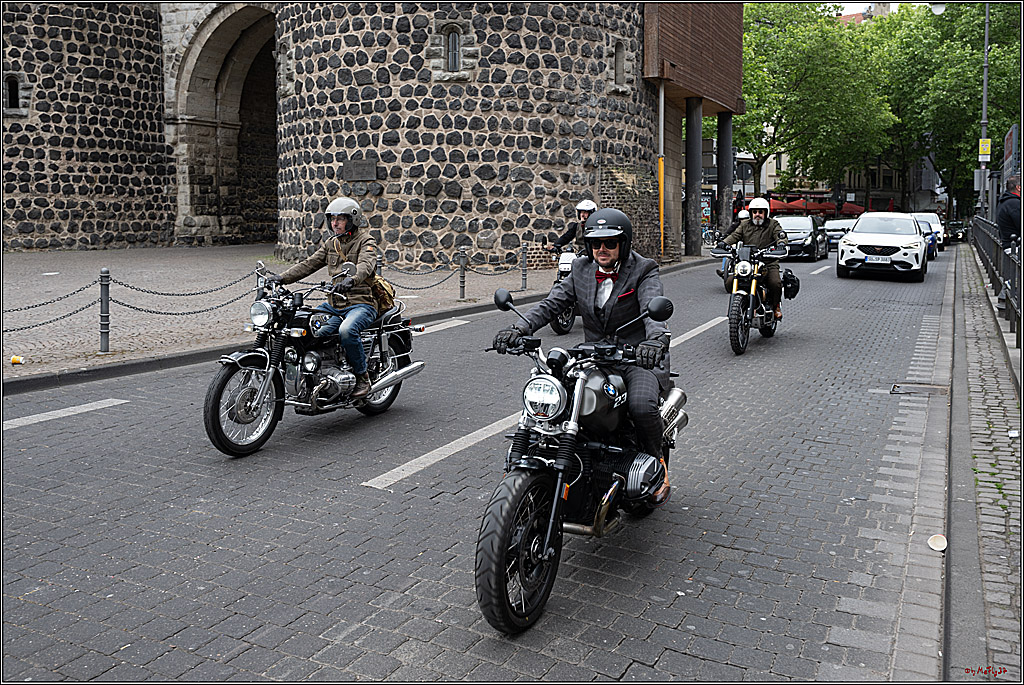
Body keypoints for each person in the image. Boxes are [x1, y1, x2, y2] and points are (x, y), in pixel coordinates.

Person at [493, 208, 673, 506]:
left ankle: (657, 461)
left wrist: (654, 342)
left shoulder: (644, 269)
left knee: (641, 406)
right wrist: (518, 327)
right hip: (593, 359)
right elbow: (551, 305)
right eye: (595, 243)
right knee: (560, 399)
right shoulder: (581, 269)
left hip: (635, 357)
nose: (601, 249)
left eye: (610, 242)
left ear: (623, 244)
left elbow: (652, 309)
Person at [267, 197, 378, 399]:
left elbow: (366, 265)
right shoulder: (331, 244)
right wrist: (281, 278)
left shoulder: (366, 241)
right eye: (332, 219)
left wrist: (351, 280)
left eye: (340, 219)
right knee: (307, 329)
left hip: (360, 303)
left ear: (352, 220)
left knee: (347, 330)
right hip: (334, 304)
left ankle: (362, 376)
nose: (334, 223)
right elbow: (308, 264)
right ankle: (315, 374)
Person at [718, 197, 787, 318]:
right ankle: (742, 305)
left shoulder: (773, 224)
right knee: (730, 282)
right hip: (747, 261)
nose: (757, 215)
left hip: (768, 261)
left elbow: (779, 234)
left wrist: (781, 243)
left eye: (760, 212)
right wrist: (724, 243)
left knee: (775, 283)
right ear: (751, 213)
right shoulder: (745, 225)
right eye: (755, 212)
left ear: (766, 213)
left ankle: (776, 305)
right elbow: (735, 235)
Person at [717, 209, 749, 277]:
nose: (743, 221)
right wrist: (723, 240)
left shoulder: (752, 227)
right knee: (727, 253)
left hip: (748, 246)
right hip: (737, 245)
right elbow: (730, 233)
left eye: (745, 219)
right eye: (742, 219)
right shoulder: (735, 225)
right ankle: (724, 270)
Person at [996, 174, 1021, 250]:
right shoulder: (1015, 203)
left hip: (1009, 246)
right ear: (1019, 188)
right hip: (1015, 248)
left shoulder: (1005, 202)